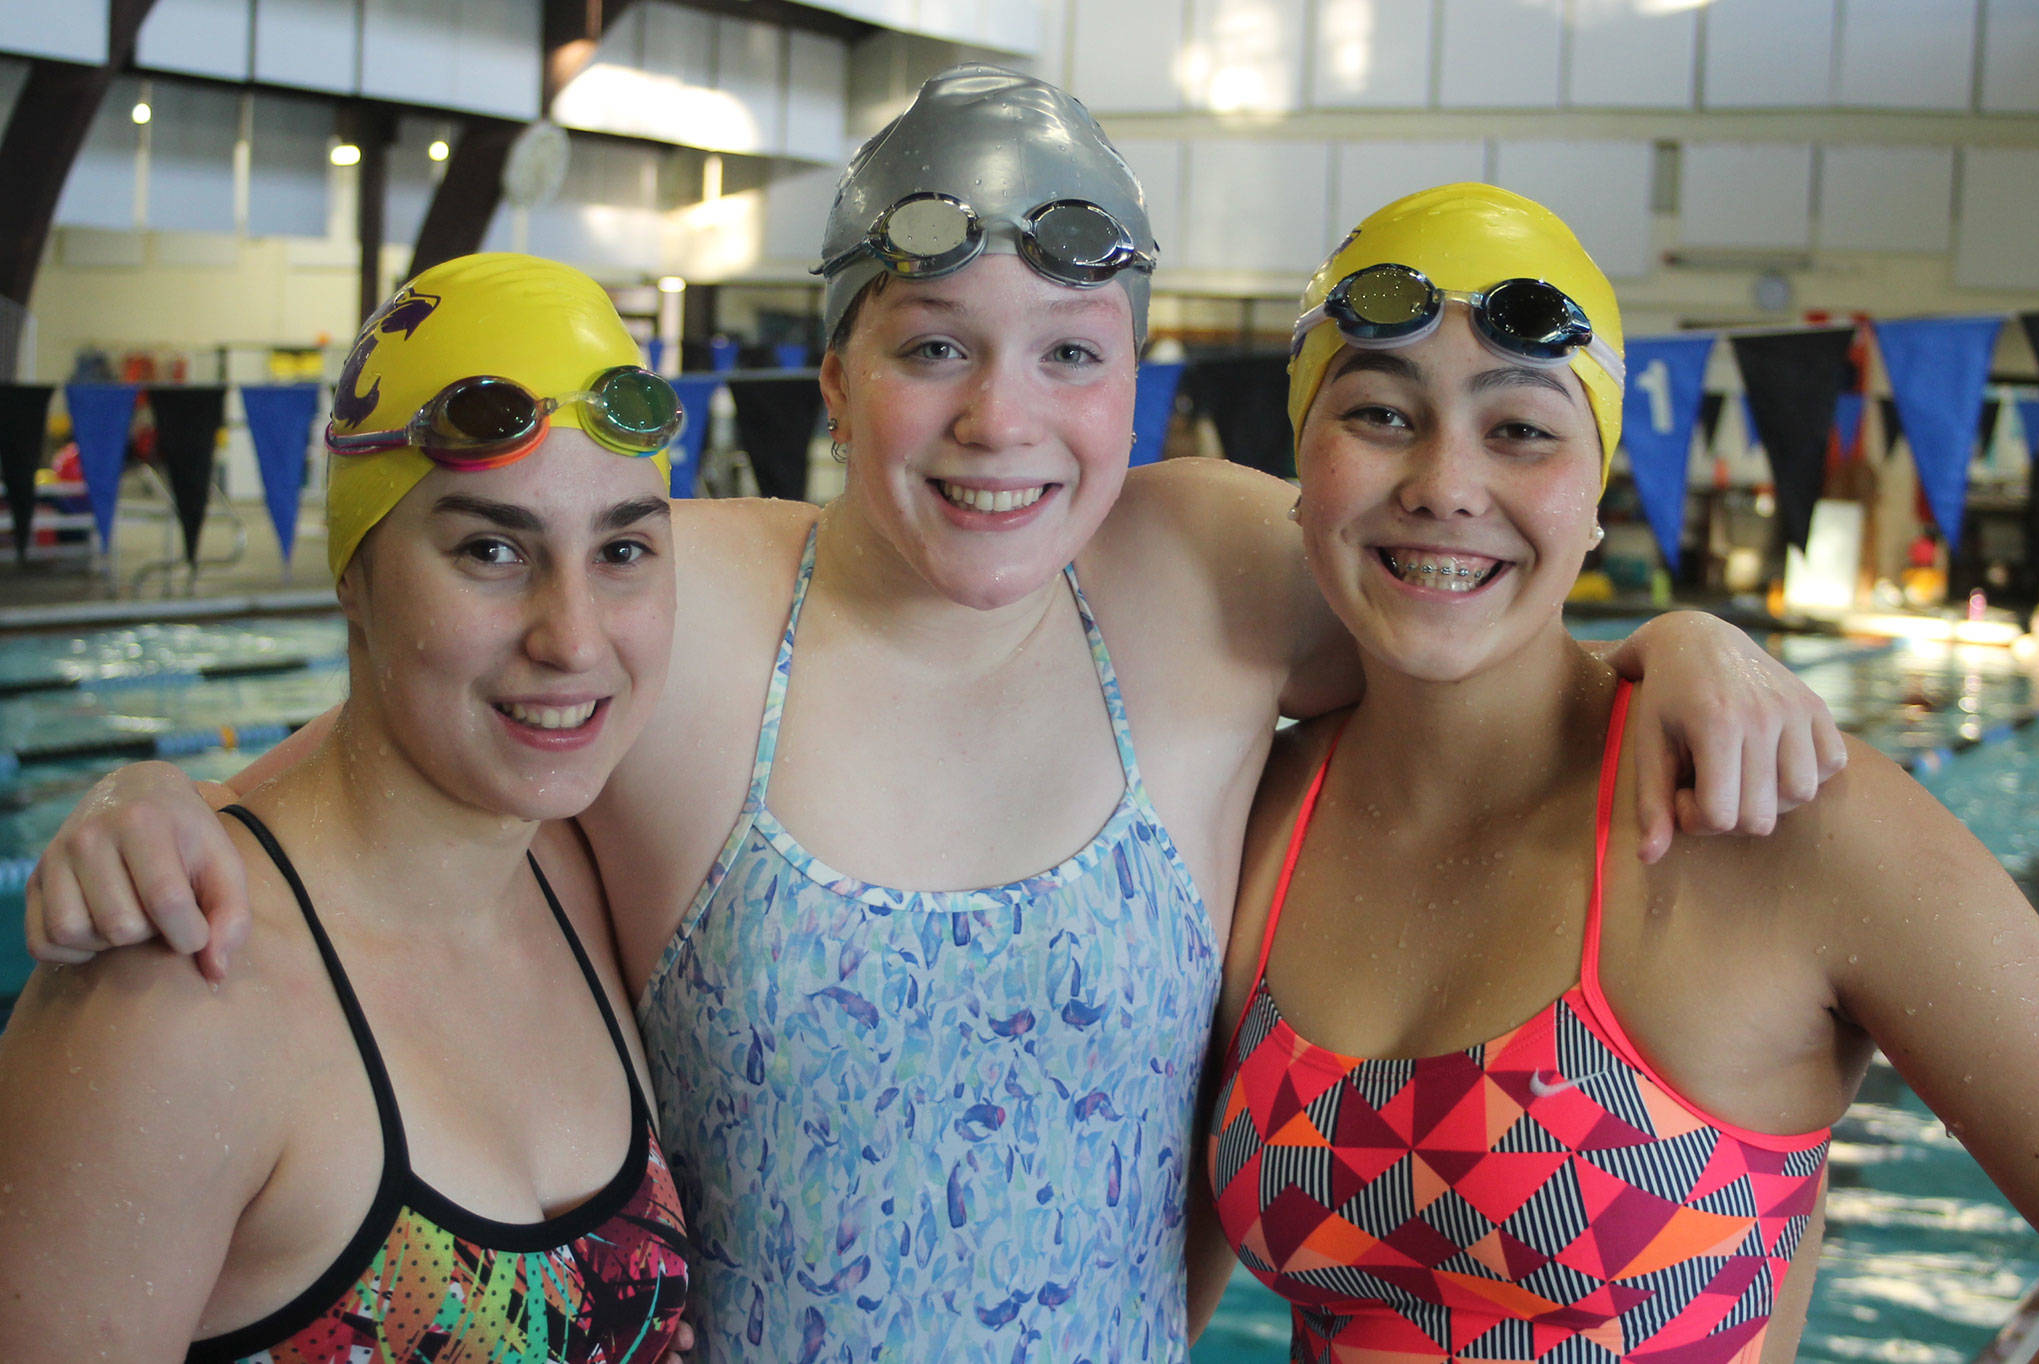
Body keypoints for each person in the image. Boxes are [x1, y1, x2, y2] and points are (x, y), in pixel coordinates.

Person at [23, 70, 1847, 1362]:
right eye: (931, 345)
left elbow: (1469, 600)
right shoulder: (678, 601)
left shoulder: (1210, 569)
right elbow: (407, 753)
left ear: (1139, 381)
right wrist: (165, 806)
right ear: (834, 372)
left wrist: (1674, 647)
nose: (1002, 420)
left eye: (1069, 350)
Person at [1201, 183, 2039, 1362]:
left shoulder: (1778, 812)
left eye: (1519, 429)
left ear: (1593, 485)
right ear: (1302, 459)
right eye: (1381, 414)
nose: (1444, 480)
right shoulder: (1252, 813)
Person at [0, 255, 695, 1361]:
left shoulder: (581, 870)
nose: (572, 637)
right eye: (490, 548)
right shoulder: (174, 983)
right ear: (355, 572)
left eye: (621, 549)